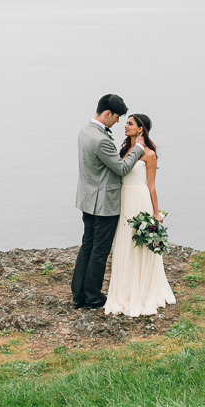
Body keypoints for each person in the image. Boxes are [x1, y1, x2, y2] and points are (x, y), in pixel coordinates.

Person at [72, 94, 145, 309]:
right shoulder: (101, 140)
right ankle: (93, 296)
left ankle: (78, 295)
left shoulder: (85, 131)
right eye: (116, 117)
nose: (118, 122)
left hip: (88, 199)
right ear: (107, 113)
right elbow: (121, 168)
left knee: (87, 246)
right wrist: (138, 149)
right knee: (99, 251)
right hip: (104, 203)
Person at [104, 113, 176, 316]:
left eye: (130, 123)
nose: (125, 126)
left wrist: (155, 213)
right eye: (126, 122)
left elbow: (151, 185)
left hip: (139, 199)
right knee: (124, 242)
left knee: (139, 244)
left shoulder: (149, 154)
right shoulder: (126, 149)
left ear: (140, 129)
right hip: (124, 198)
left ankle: (142, 290)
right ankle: (123, 288)